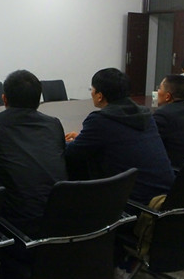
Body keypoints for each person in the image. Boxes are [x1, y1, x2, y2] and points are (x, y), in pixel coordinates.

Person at [0, 70, 67, 279]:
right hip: (60, 219)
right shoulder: (53, 124)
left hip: (21, 226)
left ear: (4, 98)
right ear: (39, 99)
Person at [65, 68, 175, 205]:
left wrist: (56, 141)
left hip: (137, 202)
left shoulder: (100, 120)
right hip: (171, 196)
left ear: (99, 95)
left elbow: (72, 152)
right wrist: (83, 138)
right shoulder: (145, 114)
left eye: (92, 89)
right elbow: (122, 139)